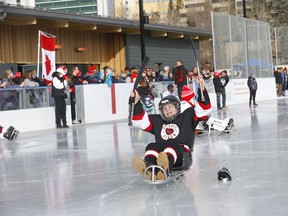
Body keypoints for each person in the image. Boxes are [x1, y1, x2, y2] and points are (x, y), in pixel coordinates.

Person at [130, 76, 211, 180]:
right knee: (152, 146)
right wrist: (136, 103)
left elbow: (204, 110)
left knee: (172, 145)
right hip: (162, 154)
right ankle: (150, 170)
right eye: (164, 108)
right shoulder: (158, 120)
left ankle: (164, 168)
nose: (167, 110)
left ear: (177, 106)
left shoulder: (187, 115)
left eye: (170, 107)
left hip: (183, 157)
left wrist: (202, 89)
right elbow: (139, 121)